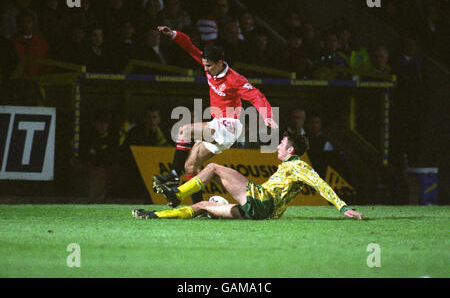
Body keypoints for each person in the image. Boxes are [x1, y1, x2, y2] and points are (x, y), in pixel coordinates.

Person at [153, 25, 278, 204]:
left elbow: (256, 96)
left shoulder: (235, 79)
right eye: (204, 65)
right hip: (217, 123)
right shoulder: (208, 66)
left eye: (209, 66)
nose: (206, 70)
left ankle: (173, 175)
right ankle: (198, 205)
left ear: (220, 62)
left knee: (184, 130)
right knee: (190, 165)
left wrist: (267, 116)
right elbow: (189, 47)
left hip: (230, 125)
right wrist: (173, 34)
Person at [132, 130, 362, 220]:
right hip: (261, 213)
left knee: (213, 167)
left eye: (281, 144)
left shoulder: (298, 166)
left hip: (260, 199)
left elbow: (321, 184)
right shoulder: (289, 168)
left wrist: (343, 208)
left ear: (291, 150)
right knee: (202, 205)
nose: (278, 146)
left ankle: (176, 195)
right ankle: (155, 215)